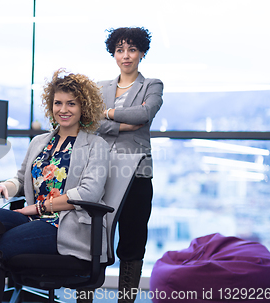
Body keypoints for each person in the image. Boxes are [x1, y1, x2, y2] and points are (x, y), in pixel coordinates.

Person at [0, 68, 109, 303]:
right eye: (58, 103)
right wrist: (6, 186)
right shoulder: (40, 142)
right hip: (34, 221)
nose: (63, 110)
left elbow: (88, 193)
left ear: (83, 107)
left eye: (71, 104)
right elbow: (20, 178)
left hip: (65, 226)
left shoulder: (96, 145)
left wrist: (37, 209)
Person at [95, 27, 163, 303]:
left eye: (132, 49)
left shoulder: (152, 85)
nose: (126, 55)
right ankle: (85, 295)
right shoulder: (100, 87)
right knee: (94, 239)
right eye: (120, 50)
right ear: (113, 53)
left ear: (142, 53)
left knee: (133, 241)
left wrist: (108, 113)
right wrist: (124, 124)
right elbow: (91, 122)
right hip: (102, 172)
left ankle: (126, 300)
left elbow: (144, 114)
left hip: (137, 172)